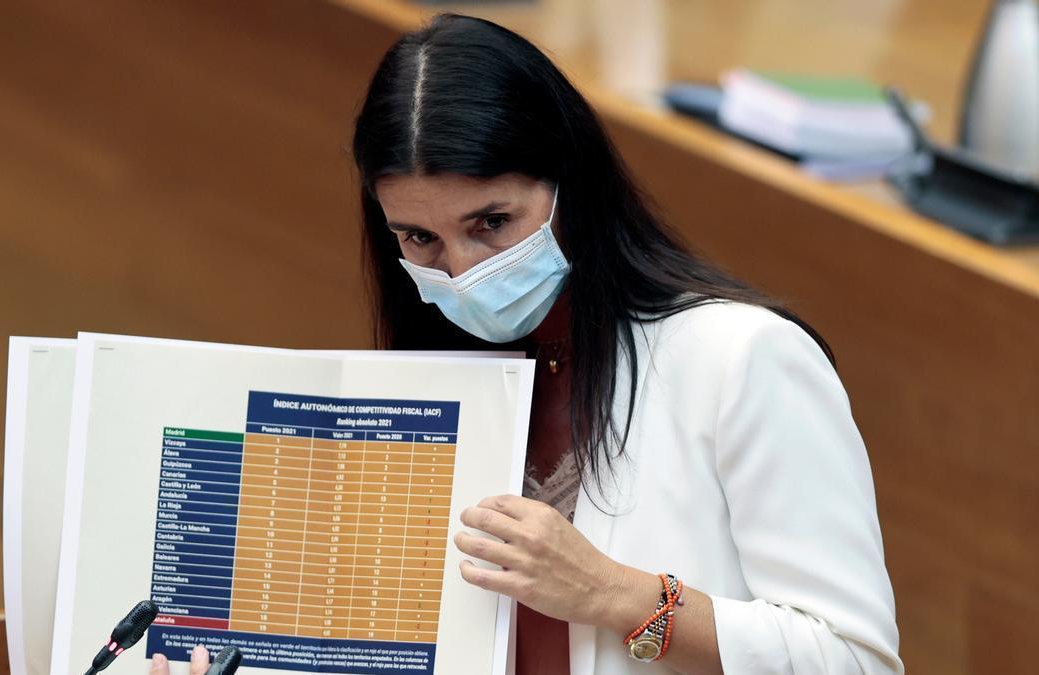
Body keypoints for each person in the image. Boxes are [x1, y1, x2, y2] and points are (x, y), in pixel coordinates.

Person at [155, 12, 903, 675]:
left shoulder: (740, 358)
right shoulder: (417, 392)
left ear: (569, 186)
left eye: (492, 223)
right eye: (420, 238)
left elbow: (852, 658)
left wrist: (616, 594)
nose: (463, 272)